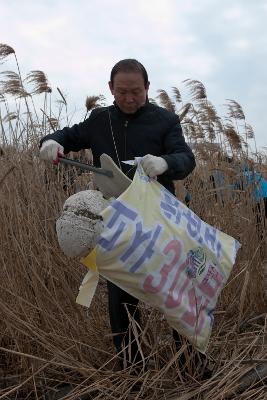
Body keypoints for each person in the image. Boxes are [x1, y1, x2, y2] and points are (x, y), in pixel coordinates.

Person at [39, 59, 197, 372]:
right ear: (111, 88)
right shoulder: (99, 120)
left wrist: (166, 162)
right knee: (121, 302)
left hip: (160, 223)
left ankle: (191, 366)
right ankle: (132, 370)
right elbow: (67, 136)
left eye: (136, 91)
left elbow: (186, 159)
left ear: (147, 88)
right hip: (116, 224)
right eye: (122, 91)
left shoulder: (165, 121)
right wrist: (51, 141)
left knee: (177, 297)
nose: (128, 98)